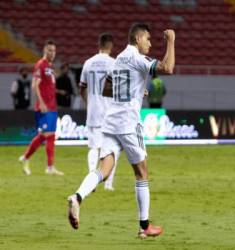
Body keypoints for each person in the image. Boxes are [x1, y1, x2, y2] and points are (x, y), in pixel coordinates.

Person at [67, 23, 175, 238]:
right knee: (141, 172)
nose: (150, 44)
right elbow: (168, 68)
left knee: (104, 169)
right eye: (148, 39)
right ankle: (144, 227)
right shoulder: (137, 58)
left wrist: (135, 90)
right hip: (127, 122)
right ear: (137, 39)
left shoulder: (118, 60)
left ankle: (77, 196)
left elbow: (106, 88)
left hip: (110, 122)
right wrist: (171, 41)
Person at [79, 33, 118, 191]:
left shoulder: (88, 63)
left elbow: (82, 88)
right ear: (111, 46)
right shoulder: (114, 63)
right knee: (112, 149)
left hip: (93, 112)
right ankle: (108, 184)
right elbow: (120, 90)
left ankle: (91, 177)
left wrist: (89, 103)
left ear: (99, 44)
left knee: (94, 147)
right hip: (110, 114)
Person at [19, 40, 64, 176]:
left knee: (48, 136)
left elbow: (48, 86)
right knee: (47, 135)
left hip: (52, 106)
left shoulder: (50, 67)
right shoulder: (41, 64)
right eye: (49, 50)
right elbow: (35, 85)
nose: (52, 53)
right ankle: (29, 159)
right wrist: (42, 102)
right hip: (44, 107)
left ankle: (47, 166)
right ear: (45, 50)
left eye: (54, 50)